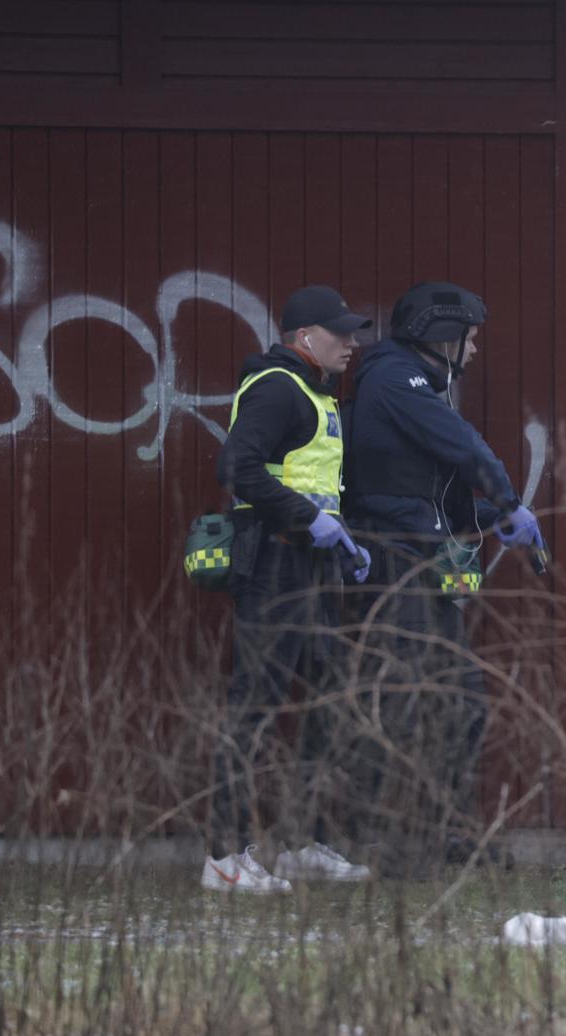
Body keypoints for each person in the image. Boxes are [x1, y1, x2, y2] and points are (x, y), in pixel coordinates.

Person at [342, 281, 543, 876]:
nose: (475, 351)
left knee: (459, 703)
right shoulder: (393, 380)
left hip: (424, 558)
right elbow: (463, 448)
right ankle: (402, 846)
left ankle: (450, 836)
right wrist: (507, 500)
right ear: (442, 337)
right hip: (396, 564)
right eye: (470, 339)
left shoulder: (418, 386)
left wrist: (488, 519)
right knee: (411, 705)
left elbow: (428, 490)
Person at [206, 285, 376, 893]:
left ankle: (306, 842)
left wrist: (344, 541)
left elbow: (312, 486)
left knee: (330, 701)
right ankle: (224, 860)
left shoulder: (313, 393)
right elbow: (237, 469)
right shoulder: (279, 388)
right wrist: (309, 521)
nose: (353, 344)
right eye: (341, 333)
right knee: (253, 709)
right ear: (305, 338)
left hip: (311, 568)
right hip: (274, 567)